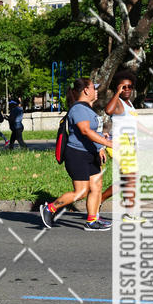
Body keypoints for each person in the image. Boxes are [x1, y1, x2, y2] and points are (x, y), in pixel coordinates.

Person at [39, 78, 112, 231]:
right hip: (77, 155)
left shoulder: (88, 109)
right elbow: (85, 131)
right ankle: (50, 208)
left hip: (90, 154)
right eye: (93, 88)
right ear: (86, 90)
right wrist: (109, 143)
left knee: (97, 186)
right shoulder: (78, 109)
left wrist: (100, 147)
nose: (96, 91)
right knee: (81, 191)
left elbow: (94, 132)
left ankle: (92, 221)